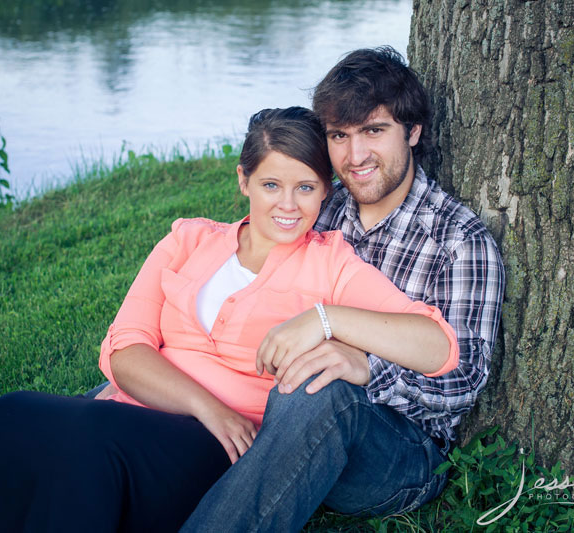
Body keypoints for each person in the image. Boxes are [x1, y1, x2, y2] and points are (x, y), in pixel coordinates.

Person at [0, 106, 460, 533]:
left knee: (87, 450)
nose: (290, 205)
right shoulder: (190, 239)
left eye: (307, 188)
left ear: (326, 193)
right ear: (243, 180)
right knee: (9, 416)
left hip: (215, 447)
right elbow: (124, 348)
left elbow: (438, 346)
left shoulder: (331, 264)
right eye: (273, 185)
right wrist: (202, 403)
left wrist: (325, 319)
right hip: (153, 411)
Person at [179, 47, 506, 531]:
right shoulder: (318, 208)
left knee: (324, 391)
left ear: (412, 132)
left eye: (374, 131)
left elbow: (465, 381)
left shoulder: (458, 241)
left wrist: (367, 368)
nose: (355, 157)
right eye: (339, 136)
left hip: (400, 448)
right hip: (286, 411)